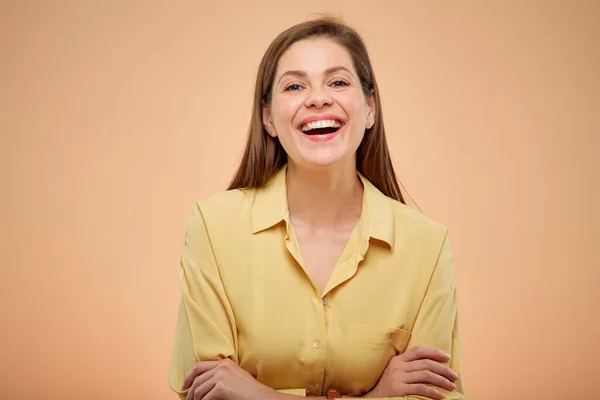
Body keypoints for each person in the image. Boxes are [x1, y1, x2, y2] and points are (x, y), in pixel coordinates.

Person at [168, 16, 467, 400]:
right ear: (268, 118)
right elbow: (209, 394)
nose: (318, 98)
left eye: (338, 82)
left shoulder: (427, 246)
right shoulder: (212, 227)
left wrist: (259, 395)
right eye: (294, 85)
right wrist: (379, 395)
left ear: (370, 108)